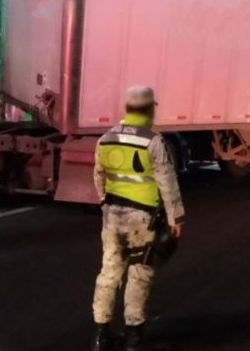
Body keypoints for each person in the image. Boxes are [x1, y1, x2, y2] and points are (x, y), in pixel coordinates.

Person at [91, 86, 185, 351]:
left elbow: (98, 174)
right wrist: (176, 217)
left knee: (109, 271)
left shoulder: (106, 138)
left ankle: (101, 336)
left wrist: (103, 201)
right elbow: (167, 182)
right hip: (142, 218)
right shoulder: (153, 140)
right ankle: (134, 339)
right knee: (139, 273)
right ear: (149, 109)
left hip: (111, 215)